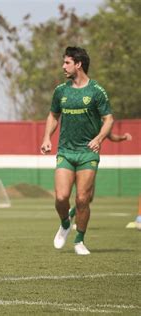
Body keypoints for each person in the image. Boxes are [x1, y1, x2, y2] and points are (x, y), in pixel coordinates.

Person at [40, 46, 114, 255]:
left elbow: (109, 119)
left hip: (87, 153)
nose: (63, 66)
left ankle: (79, 241)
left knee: (82, 199)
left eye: (67, 62)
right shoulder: (61, 91)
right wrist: (47, 137)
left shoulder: (96, 91)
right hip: (65, 151)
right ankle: (65, 223)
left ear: (78, 64)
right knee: (62, 197)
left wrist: (99, 138)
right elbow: (53, 115)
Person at [68, 131, 133, 222]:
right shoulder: (77, 120)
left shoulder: (100, 124)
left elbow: (110, 136)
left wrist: (123, 137)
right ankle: (77, 222)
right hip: (75, 159)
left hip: (88, 162)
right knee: (82, 195)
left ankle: (71, 213)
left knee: (89, 197)